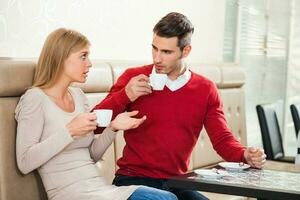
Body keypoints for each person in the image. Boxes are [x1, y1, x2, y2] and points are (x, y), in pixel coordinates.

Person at [93, 12, 267, 200]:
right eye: (154, 48)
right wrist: (125, 95)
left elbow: (222, 139)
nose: (157, 58)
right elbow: (95, 125)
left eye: (166, 52)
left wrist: (244, 154)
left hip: (178, 182)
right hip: (133, 180)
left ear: (186, 51)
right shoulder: (133, 78)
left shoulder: (205, 89)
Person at [15, 28, 178, 200]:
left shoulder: (78, 96)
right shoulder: (35, 98)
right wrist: (69, 131)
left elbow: (91, 155)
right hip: (71, 195)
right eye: (83, 56)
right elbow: (25, 162)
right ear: (61, 58)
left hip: (101, 190)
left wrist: (113, 127)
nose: (90, 63)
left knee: (168, 197)